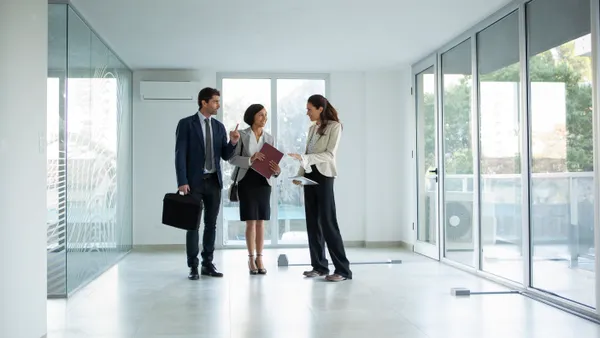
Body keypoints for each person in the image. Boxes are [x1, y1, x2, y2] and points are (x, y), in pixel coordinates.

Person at [175, 87, 240, 280]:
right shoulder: (186, 124)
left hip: (213, 182)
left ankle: (207, 264)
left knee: (211, 225)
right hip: (193, 183)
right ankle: (193, 266)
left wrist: (233, 142)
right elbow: (180, 155)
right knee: (192, 225)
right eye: (215, 102)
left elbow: (225, 156)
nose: (218, 105)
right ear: (204, 102)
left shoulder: (219, 127)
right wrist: (182, 182)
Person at [288, 94, 352, 282]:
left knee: (327, 222)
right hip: (309, 175)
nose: (307, 112)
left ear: (320, 109)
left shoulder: (335, 127)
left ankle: (343, 270)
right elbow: (307, 154)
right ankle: (319, 266)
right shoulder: (312, 128)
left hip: (324, 176)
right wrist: (300, 174)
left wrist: (304, 159)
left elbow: (329, 155)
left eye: (309, 109)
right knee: (312, 222)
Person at [229, 104, 281, 275]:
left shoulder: (269, 138)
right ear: (252, 116)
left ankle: (260, 258)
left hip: (263, 182)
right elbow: (233, 159)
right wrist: (251, 159)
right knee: (251, 222)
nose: (264, 118)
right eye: (261, 115)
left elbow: (273, 164)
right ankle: (251, 258)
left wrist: (276, 170)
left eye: (266, 115)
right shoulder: (242, 135)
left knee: (261, 222)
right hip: (247, 181)